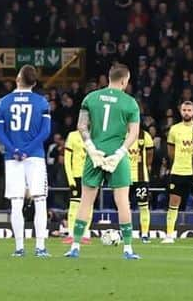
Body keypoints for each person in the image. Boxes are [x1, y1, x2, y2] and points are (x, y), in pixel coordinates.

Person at [64, 63, 141, 260]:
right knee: (122, 201)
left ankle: (75, 246)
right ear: (124, 80)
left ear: (109, 78)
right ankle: (128, 249)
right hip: (117, 154)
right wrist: (120, 152)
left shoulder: (91, 97)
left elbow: (81, 126)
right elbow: (134, 132)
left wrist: (90, 147)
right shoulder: (130, 102)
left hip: (94, 153)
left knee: (86, 201)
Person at [0, 64, 52, 258]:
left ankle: (19, 248)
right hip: (34, 156)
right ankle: (40, 247)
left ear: (18, 79)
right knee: (40, 200)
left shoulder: (4, 102)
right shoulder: (42, 102)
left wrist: (15, 149)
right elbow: (45, 132)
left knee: (17, 202)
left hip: (13, 158)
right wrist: (27, 149)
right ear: (34, 82)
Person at [163, 99, 193, 244]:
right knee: (173, 203)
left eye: (189, 110)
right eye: (184, 110)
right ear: (180, 111)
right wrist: (180, 162)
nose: (186, 112)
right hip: (177, 171)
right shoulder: (174, 129)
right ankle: (169, 235)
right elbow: (171, 152)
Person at [127, 115, 155, 243]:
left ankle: (144, 234)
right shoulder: (121, 136)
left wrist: (147, 167)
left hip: (141, 177)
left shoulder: (145, 136)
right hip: (125, 178)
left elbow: (150, 155)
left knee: (143, 206)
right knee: (124, 207)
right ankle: (125, 234)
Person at [62, 128, 90, 245]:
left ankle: (85, 234)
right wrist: (70, 178)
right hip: (76, 175)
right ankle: (71, 233)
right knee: (74, 205)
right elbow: (67, 159)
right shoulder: (72, 136)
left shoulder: (94, 135)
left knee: (89, 205)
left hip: (90, 175)